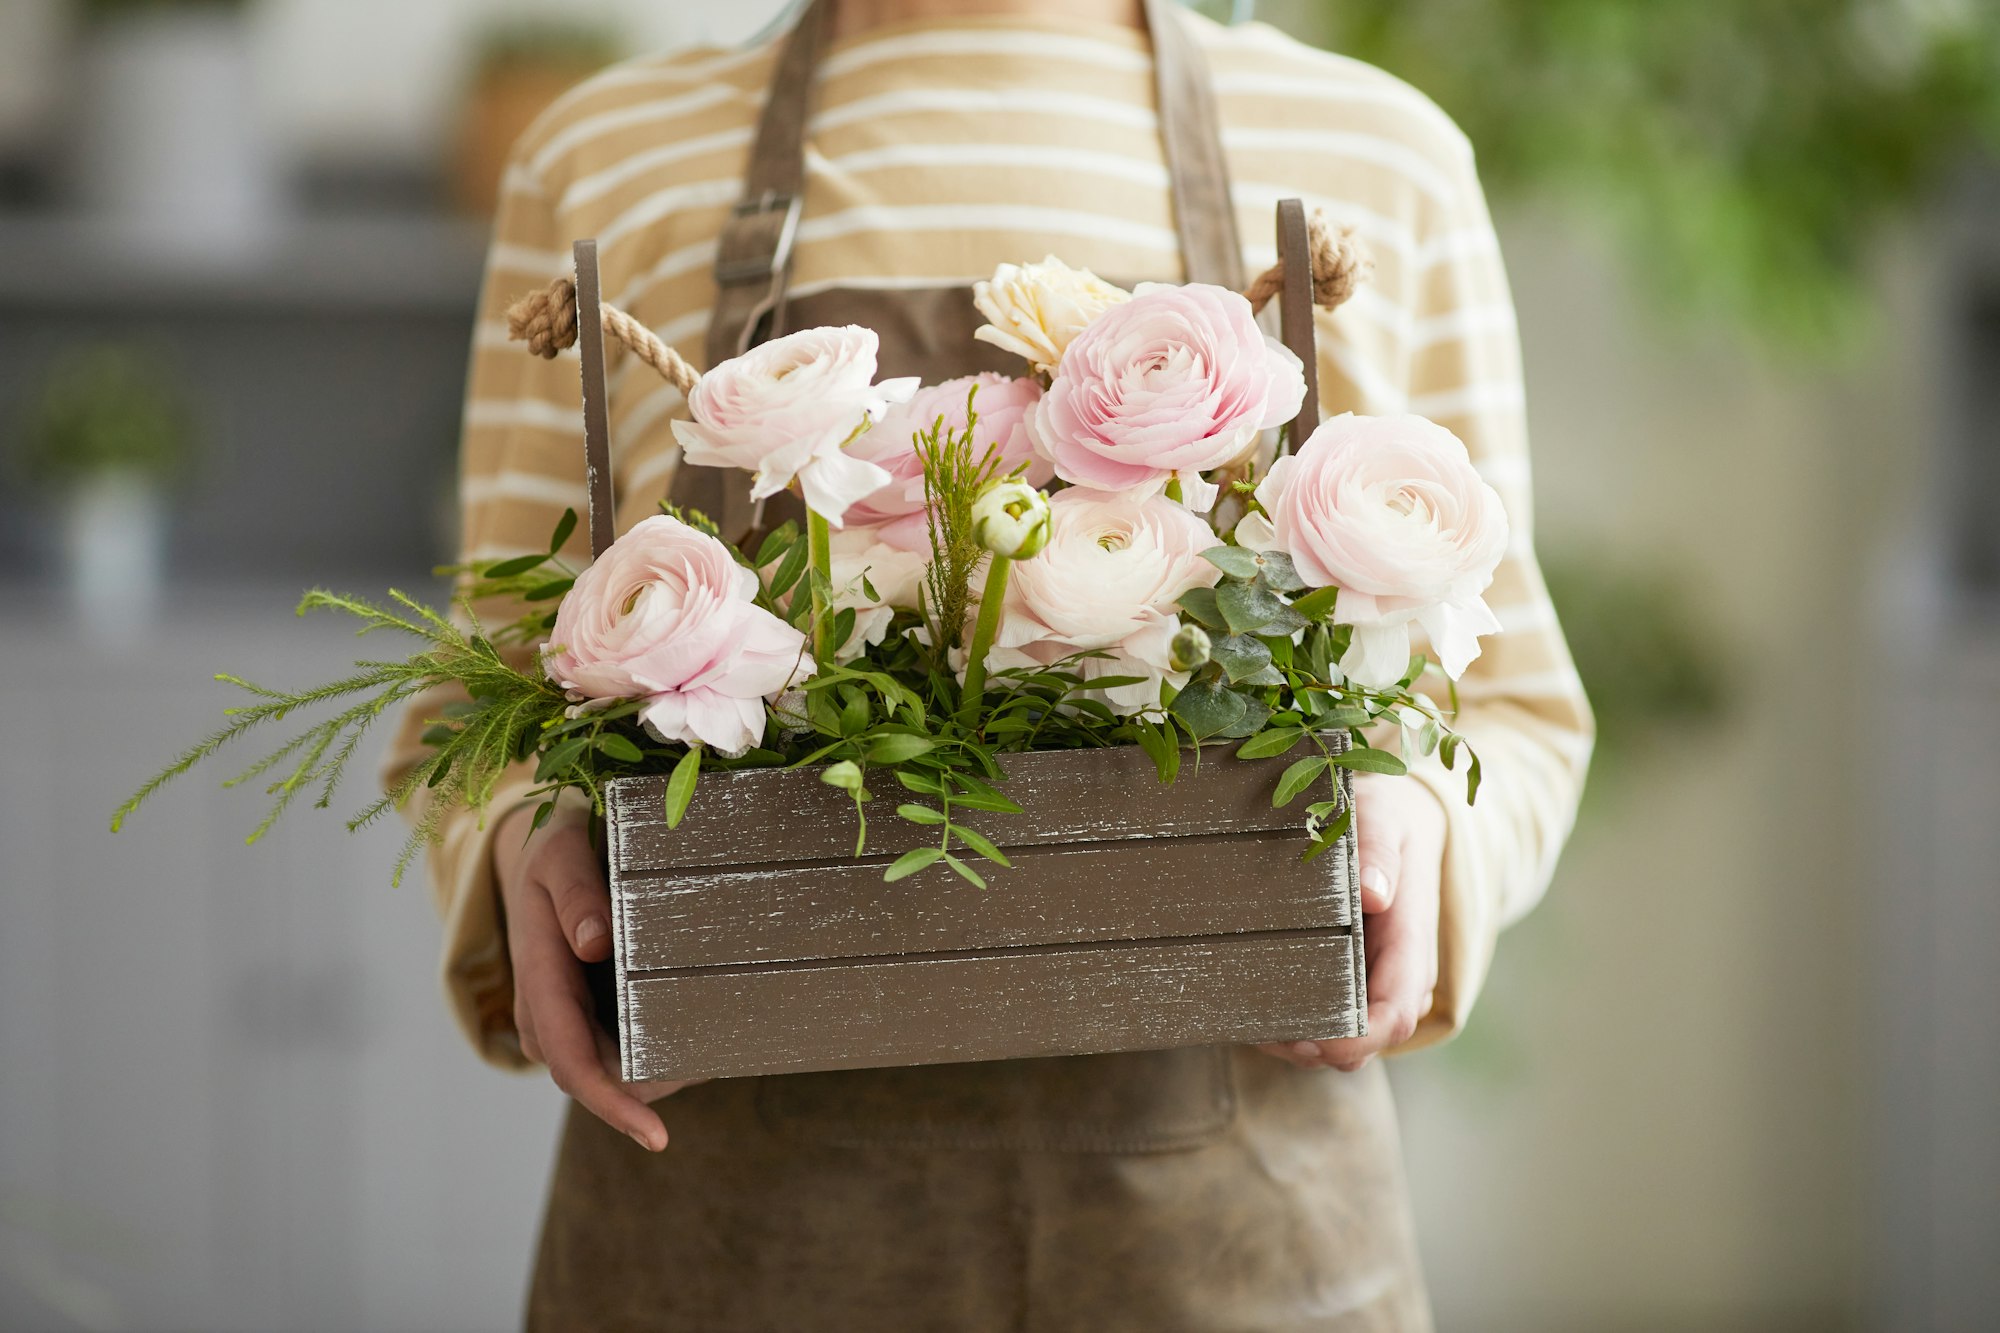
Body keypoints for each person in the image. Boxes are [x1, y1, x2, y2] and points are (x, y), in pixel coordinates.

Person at [386, 0, 1593, 1327]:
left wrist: (1427, 816)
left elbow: (1513, 706)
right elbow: (483, 692)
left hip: (1232, 1250)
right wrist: (519, 840)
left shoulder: (1375, 159)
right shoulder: (608, 157)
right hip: (723, 1245)